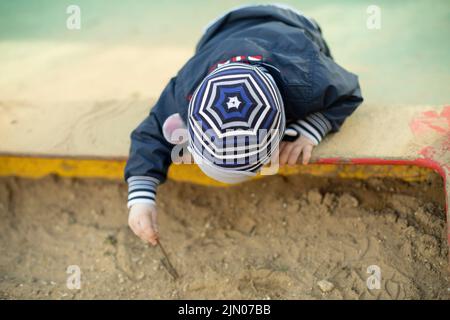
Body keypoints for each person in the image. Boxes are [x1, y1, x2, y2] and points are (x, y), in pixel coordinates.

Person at [125, 4, 363, 245]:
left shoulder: (308, 78)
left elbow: (349, 90)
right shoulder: (186, 88)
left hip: (292, 26)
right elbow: (151, 133)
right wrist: (141, 198)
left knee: (323, 66)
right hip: (220, 30)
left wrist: (311, 129)